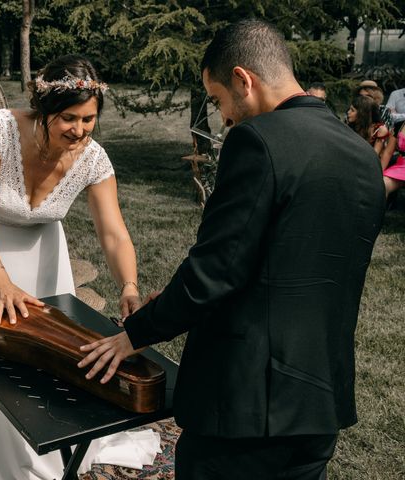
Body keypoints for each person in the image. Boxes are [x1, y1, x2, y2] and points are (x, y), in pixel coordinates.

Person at [78, 19, 385, 479]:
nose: (223, 116)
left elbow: (215, 270)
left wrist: (135, 332)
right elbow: (298, 266)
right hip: (320, 404)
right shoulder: (362, 155)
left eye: (219, 100)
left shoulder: (258, 141)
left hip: (244, 407)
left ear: (244, 79)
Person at [0, 54, 160, 480]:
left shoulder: (93, 158)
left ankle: (41, 448)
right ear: (43, 110)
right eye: (69, 117)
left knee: (41, 357)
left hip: (42, 257)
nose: (80, 130)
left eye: (89, 119)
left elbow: (114, 234)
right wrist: (0, 282)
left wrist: (129, 286)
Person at [346, 94, 392, 166]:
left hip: (371, 163)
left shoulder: (379, 129)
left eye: (352, 110)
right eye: (349, 109)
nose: (348, 112)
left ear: (363, 113)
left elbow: (374, 155)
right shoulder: (352, 125)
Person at [383, 121, 405, 196]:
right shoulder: (399, 125)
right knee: (382, 185)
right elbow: (388, 152)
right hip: (401, 167)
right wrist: (378, 173)